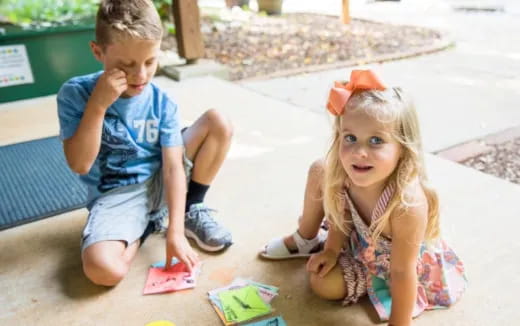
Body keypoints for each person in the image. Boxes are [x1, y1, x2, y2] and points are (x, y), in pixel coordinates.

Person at [260, 70, 466, 325]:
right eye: (350, 138)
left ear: (402, 148)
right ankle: (307, 239)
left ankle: (370, 284)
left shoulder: (407, 204)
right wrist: (332, 249)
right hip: (357, 240)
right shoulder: (344, 171)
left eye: (376, 141)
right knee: (319, 169)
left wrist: (399, 323)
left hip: (395, 266)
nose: (359, 152)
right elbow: (342, 213)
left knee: (322, 284)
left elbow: (403, 272)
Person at [57, 0, 233, 286]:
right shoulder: (75, 94)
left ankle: (190, 209)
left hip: (163, 177)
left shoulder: (161, 101)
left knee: (218, 122)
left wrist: (175, 232)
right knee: (103, 271)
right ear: (98, 52)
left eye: (150, 62)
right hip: (118, 195)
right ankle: (147, 225)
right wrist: (99, 105)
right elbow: (80, 163)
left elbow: (174, 168)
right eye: (125, 66)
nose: (140, 76)